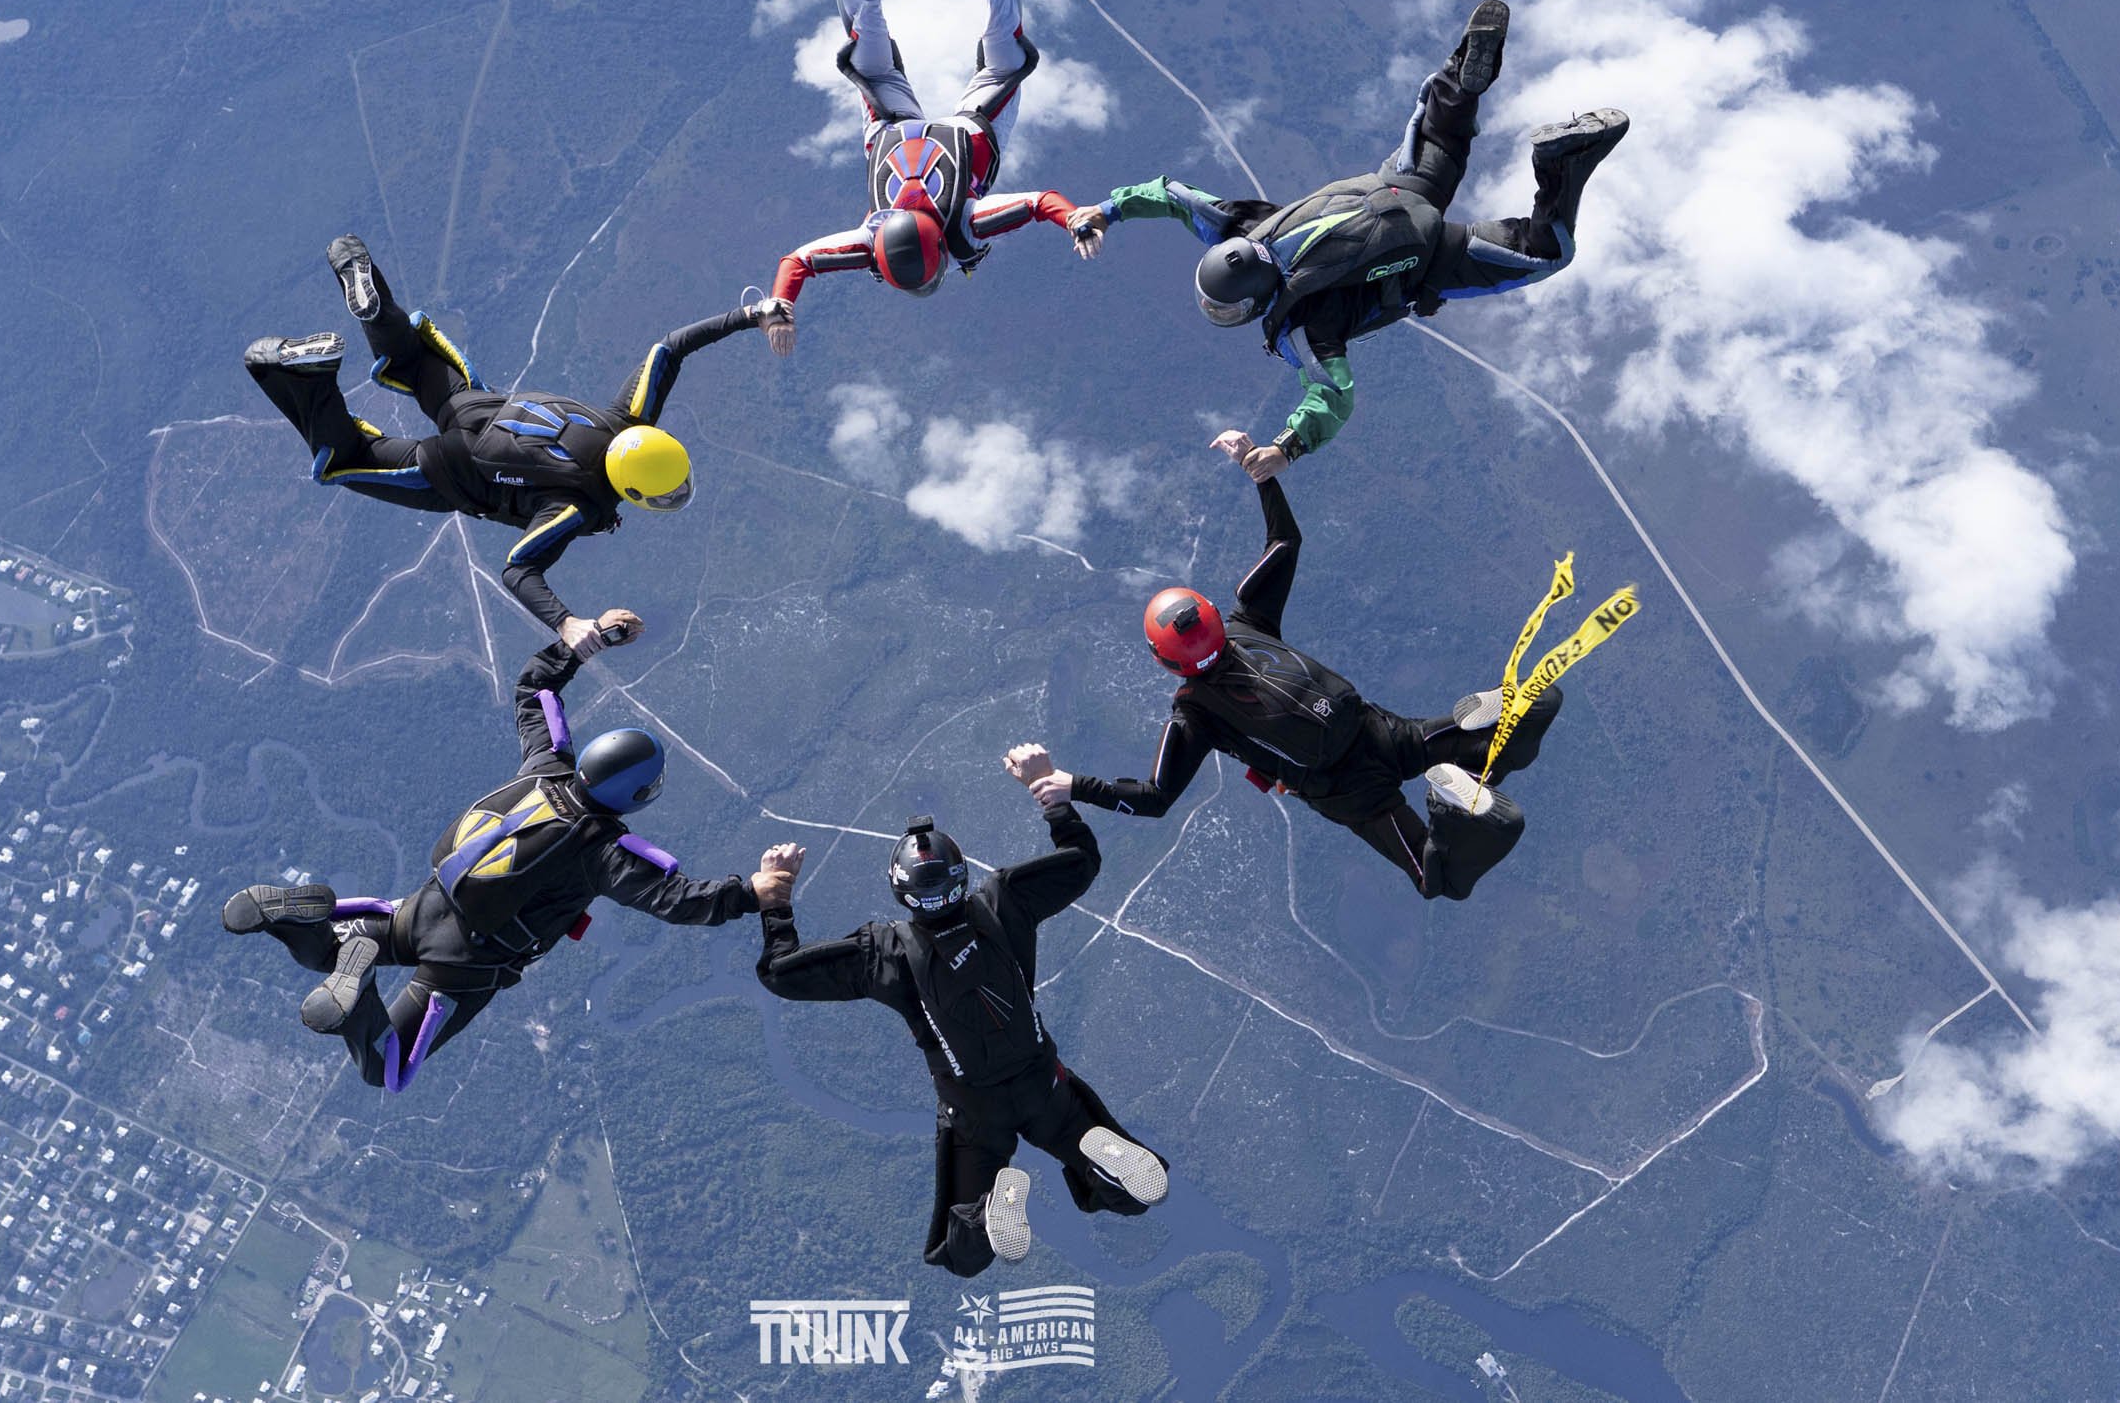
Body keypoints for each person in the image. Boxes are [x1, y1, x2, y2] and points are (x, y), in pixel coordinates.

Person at [1067, 0, 1629, 477]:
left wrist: (1287, 447)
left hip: (1429, 259)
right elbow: (1174, 196)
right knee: (1439, 133)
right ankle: (1461, 75)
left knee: (1546, 253)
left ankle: (1563, 161)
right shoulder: (1242, 226)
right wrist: (1106, 211)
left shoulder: (1303, 325)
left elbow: (1333, 395)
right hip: (1396, 188)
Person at [221, 637, 794, 1091]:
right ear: (637, 795)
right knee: (384, 1069)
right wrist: (756, 891)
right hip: (467, 964)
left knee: (328, 950)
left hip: (424, 908)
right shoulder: (605, 852)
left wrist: (586, 641)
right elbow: (678, 901)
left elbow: (533, 689)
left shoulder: (546, 765)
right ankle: (361, 992)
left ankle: (289, 919)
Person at [1027, 439, 1561, 901]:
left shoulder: (1194, 715)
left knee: (1436, 878)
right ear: (1209, 616)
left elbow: (1154, 800)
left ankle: (1454, 816)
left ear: (1166, 661)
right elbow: (1285, 541)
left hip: (1348, 790)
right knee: (1467, 735)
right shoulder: (1247, 622)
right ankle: (1504, 732)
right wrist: (1257, 471)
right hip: (1375, 728)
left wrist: (1074, 786)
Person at [244, 234, 792, 652]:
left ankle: (371, 305)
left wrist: (753, 314)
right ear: (632, 489)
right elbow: (517, 569)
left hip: (477, 406)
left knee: (408, 355)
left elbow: (669, 348)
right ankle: (312, 376)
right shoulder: (578, 505)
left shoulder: (627, 421)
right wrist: (567, 623)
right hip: (450, 470)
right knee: (344, 461)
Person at [754, 746, 1169, 1276]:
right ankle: (1099, 1167)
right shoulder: (1004, 901)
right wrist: (1049, 792)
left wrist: (776, 895)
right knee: (1134, 1195)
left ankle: (984, 1212)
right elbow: (1082, 861)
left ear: (902, 894)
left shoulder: (885, 953)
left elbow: (782, 974)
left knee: (962, 1257)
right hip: (1045, 1084)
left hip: (974, 1111)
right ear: (962, 875)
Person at [762, 0, 1092, 354]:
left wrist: (1075, 221)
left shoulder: (969, 226)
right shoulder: (869, 242)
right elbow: (798, 261)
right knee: (877, 71)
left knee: (1003, 68)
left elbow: (1039, 203)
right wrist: (780, 304)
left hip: (967, 138)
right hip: (893, 133)